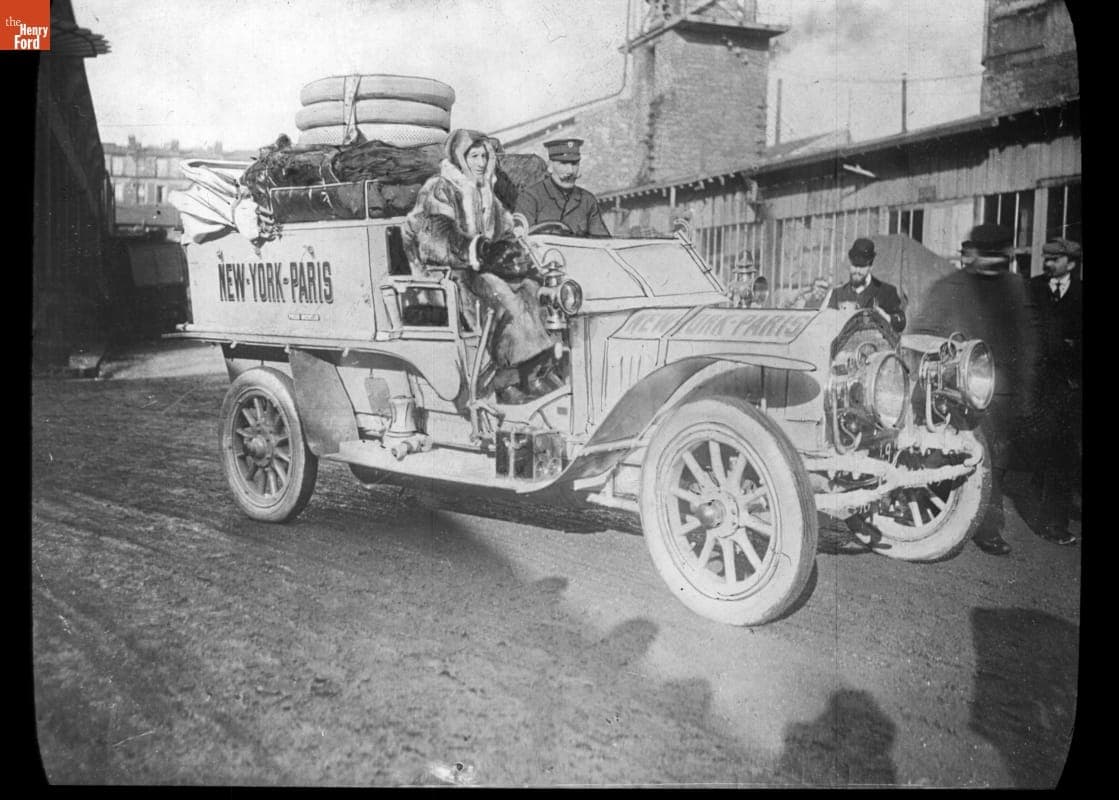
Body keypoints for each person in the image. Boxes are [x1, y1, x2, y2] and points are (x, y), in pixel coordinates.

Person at [909, 224, 1045, 556]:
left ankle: (988, 528)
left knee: (994, 462)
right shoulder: (948, 287)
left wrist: (1025, 395)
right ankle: (934, 514)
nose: (995, 263)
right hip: (955, 391)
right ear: (974, 256)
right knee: (948, 453)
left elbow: (1026, 343)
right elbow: (921, 334)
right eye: (988, 256)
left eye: (1001, 256)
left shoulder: (1014, 286)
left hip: (1001, 394)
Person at [403, 128, 561, 404]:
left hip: (481, 267)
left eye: (484, 156)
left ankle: (535, 371)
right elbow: (436, 239)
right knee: (501, 293)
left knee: (532, 287)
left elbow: (506, 230)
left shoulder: (486, 191)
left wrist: (516, 254)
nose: (480, 163)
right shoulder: (440, 188)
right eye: (473, 156)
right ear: (459, 158)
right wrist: (481, 249)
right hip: (449, 274)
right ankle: (506, 380)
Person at [1028, 238, 1082, 546]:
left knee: (1063, 455)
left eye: (1054, 260)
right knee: (1037, 449)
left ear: (1071, 264)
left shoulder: (1080, 293)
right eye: (1046, 259)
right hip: (1036, 385)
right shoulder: (1033, 288)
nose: (1047, 264)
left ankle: (1056, 524)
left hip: (1068, 388)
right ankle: (1039, 513)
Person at [514, 138, 611, 237]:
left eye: (574, 164)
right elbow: (524, 242)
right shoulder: (530, 197)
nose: (570, 171)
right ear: (550, 166)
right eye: (563, 164)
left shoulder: (588, 200)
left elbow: (603, 241)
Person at [827, 238, 907, 333]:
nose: (857, 271)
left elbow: (901, 322)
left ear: (870, 267)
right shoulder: (838, 294)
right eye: (854, 265)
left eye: (862, 266)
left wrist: (886, 317)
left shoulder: (886, 292)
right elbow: (827, 325)